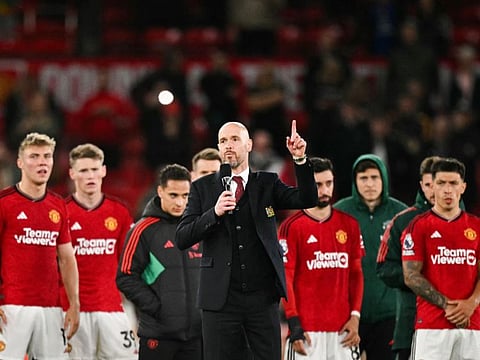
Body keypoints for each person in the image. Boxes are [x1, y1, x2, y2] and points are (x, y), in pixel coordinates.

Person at [175, 120, 317, 360]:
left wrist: (300, 160)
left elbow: (307, 198)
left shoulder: (268, 183)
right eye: (222, 141)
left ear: (249, 145)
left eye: (234, 139)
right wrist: (214, 213)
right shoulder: (202, 188)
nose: (228, 145)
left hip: (262, 299)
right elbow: (182, 236)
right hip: (219, 300)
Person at [0, 132, 79, 358]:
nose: (42, 162)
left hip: (51, 308)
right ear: (20, 162)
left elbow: (66, 258)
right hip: (11, 307)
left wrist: (74, 303)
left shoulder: (58, 206)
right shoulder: (4, 203)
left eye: (47, 156)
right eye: (34, 156)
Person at [279, 157, 364, 359]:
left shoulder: (349, 225)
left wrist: (355, 316)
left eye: (329, 183)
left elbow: (356, 274)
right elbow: (285, 279)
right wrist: (294, 323)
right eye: (318, 184)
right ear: (306, 185)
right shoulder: (291, 227)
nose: (325, 190)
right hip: (306, 333)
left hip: (343, 331)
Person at [117, 164, 202, 360]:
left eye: (185, 196)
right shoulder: (143, 230)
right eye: (173, 195)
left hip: (197, 337)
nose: (180, 202)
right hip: (158, 336)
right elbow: (126, 276)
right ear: (160, 191)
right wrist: (156, 307)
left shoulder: (198, 228)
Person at [62, 143, 138, 359]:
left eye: (95, 169)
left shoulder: (120, 212)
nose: (90, 176)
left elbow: (130, 261)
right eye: (84, 170)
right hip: (72, 310)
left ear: (103, 171)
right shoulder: (61, 214)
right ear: (72, 173)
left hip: (112, 308)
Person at [402, 157, 480, 358]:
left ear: (463, 187)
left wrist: (471, 303)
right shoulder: (417, 227)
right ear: (432, 187)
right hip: (432, 326)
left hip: (473, 325)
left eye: (453, 183)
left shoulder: (476, 227)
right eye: (441, 183)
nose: (447, 189)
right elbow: (411, 276)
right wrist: (447, 305)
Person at [333, 154, 407, 360]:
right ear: (355, 182)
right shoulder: (340, 213)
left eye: (375, 178)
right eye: (363, 178)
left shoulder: (401, 215)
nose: (370, 184)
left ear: (384, 179)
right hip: (348, 315)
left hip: (390, 314)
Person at [376, 155, 440, 360]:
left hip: (458, 323)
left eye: (439, 184)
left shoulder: (469, 226)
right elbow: (384, 268)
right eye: (428, 185)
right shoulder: (403, 222)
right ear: (421, 184)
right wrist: (416, 277)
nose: (434, 191)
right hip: (411, 323)